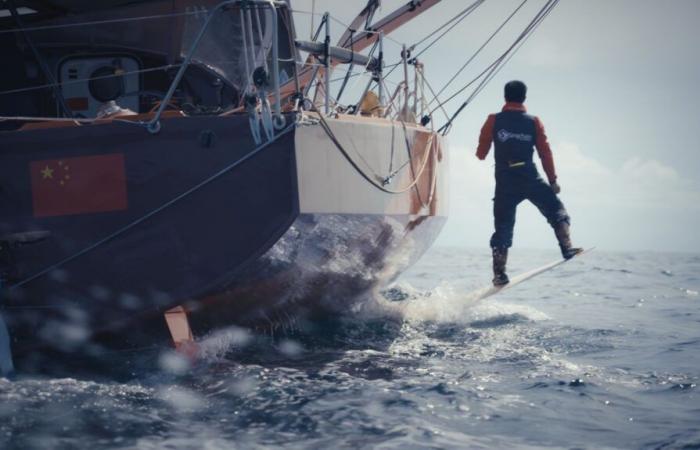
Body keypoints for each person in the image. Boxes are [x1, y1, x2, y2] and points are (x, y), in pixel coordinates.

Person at [476, 80, 582, 286]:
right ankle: (567, 247)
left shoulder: (493, 120)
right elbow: (545, 153)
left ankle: (499, 275)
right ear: (524, 98)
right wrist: (553, 181)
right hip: (529, 176)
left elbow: (481, 154)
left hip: (505, 179)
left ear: (505, 97)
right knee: (557, 211)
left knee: (503, 228)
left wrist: (494, 144)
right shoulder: (534, 122)